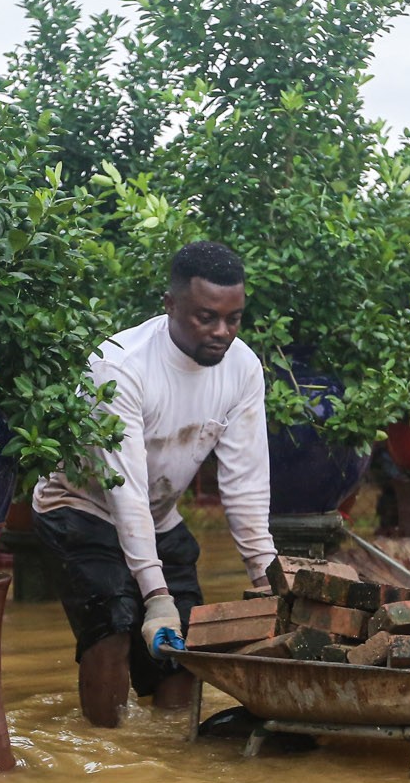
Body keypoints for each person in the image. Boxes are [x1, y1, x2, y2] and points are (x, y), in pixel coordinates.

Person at [33, 241, 277, 727]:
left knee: (183, 650)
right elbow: (124, 490)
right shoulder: (119, 366)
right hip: (80, 506)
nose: (222, 333)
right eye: (206, 317)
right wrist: (155, 596)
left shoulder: (243, 367)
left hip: (161, 514)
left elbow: (245, 484)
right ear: (170, 306)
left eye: (234, 319)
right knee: (114, 629)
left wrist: (267, 579)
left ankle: (170, 761)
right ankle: (106, 758)